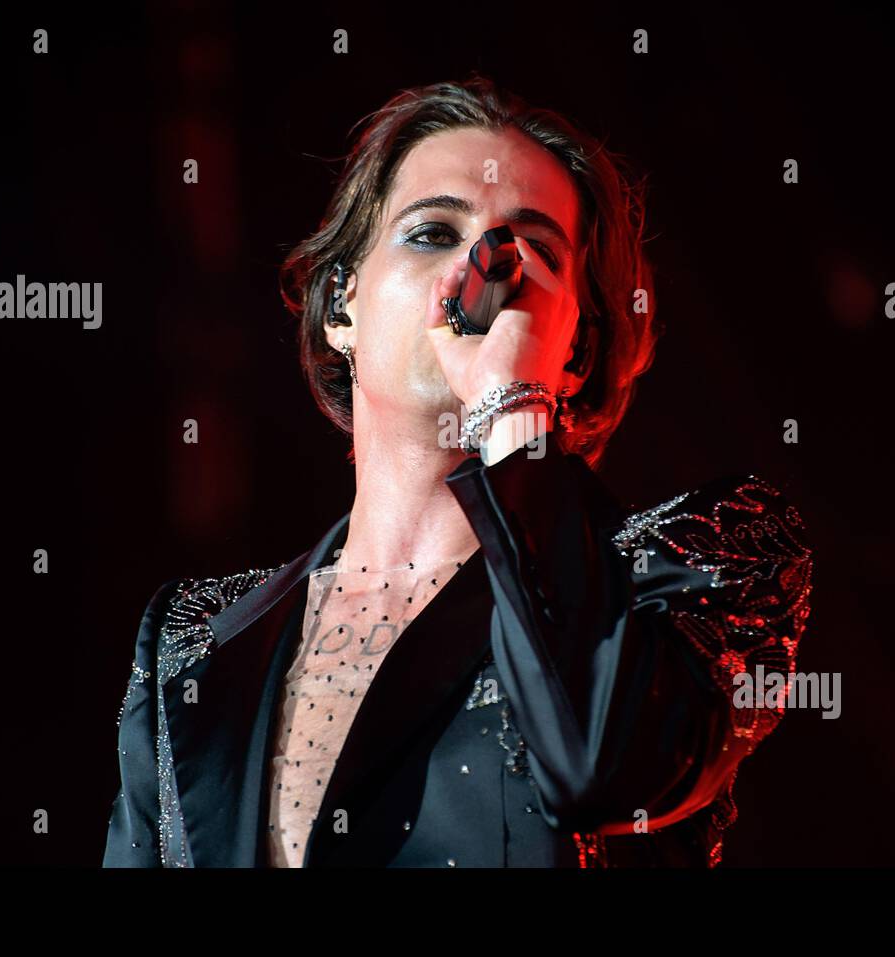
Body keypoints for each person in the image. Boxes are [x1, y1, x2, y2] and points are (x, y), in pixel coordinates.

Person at [102, 74, 814, 868]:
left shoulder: (701, 559)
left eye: (532, 251)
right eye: (433, 232)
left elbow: (603, 770)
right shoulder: (193, 637)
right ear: (342, 307)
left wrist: (511, 400)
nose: (482, 269)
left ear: (573, 349)